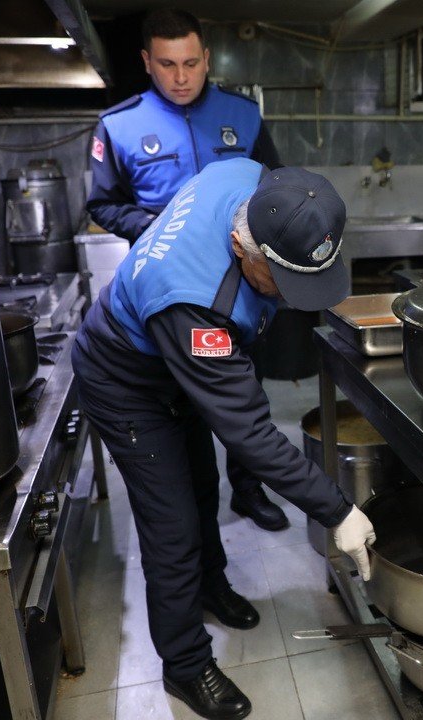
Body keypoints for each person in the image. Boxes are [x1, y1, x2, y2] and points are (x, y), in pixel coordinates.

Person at [72, 158, 376, 720]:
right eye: (281, 282)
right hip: (127, 383)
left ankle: (210, 586)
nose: (288, 297)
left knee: (202, 484)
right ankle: (185, 665)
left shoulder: (252, 180)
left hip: (175, 366)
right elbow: (252, 435)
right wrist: (337, 510)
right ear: (241, 245)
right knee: (173, 527)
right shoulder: (199, 305)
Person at [86, 8, 288, 532]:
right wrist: (158, 224)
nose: (180, 77)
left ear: (207, 59)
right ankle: (196, 511)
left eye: (191, 63)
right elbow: (102, 204)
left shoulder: (242, 115)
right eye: (168, 64)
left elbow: (277, 187)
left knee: (247, 394)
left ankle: (248, 490)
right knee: (185, 407)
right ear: (147, 61)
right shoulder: (120, 124)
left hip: (243, 288)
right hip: (173, 296)